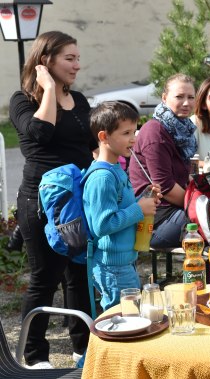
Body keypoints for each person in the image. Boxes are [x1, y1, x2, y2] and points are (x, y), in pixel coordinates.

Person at [9, 31, 98, 368]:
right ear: (46, 60)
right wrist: (47, 89)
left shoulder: (79, 100)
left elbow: (88, 147)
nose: (78, 65)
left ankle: (81, 348)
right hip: (40, 203)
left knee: (78, 275)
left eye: (77, 57)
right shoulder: (23, 101)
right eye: (69, 58)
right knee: (45, 277)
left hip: (77, 201)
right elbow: (40, 133)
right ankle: (34, 355)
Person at [83, 102, 160, 310]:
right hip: (112, 267)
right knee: (126, 321)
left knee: (131, 317)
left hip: (123, 262)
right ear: (103, 137)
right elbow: (103, 224)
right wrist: (139, 209)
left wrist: (144, 198)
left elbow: (120, 206)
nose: (133, 139)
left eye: (134, 132)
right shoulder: (102, 177)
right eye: (126, 133)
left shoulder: (115, 169)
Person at [129, 73, 196, 248]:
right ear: (165, 98)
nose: (186, 102)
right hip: (155, 221)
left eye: (191, 97)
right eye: (179, 96)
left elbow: (181, 176)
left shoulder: (182, 130)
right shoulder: (156, 132)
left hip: (174, 210)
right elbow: (165, 187)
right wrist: (199, 204)